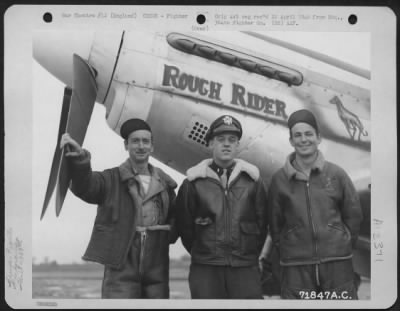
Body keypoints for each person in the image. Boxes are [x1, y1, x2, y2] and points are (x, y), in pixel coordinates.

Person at [60, 118, 178, 299]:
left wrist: (166, 234)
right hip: (121, 267)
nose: (141, 146)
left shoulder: (166, 185)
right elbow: (85, 186)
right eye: (135, 141)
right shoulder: (110, 179)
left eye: (145, 141)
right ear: (126, 145)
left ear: (152, 147)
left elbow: (177, 217)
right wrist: (80, 160)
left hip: (157, 268)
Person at [267, 109, 363, 299]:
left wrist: (340, 244)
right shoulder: (279, 180)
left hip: (337, 264)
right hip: (296, 267)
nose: (304, 140)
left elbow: (353, 215)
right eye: (298, 135)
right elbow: (275, 223)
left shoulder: (337, 175)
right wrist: (290, 246)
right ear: (291, 141)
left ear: (318, 138)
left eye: (309, 134)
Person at [175, 115, 268, 299]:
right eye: (220, 139)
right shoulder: (193, 183)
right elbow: (185, 228)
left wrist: (246, 255)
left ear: (238, 145)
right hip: (206, 269)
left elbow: (262, 225)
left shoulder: (254, 183)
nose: (227, 144)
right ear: (210, 143)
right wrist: (204, 253)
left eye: (232, 140)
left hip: (244, 268)